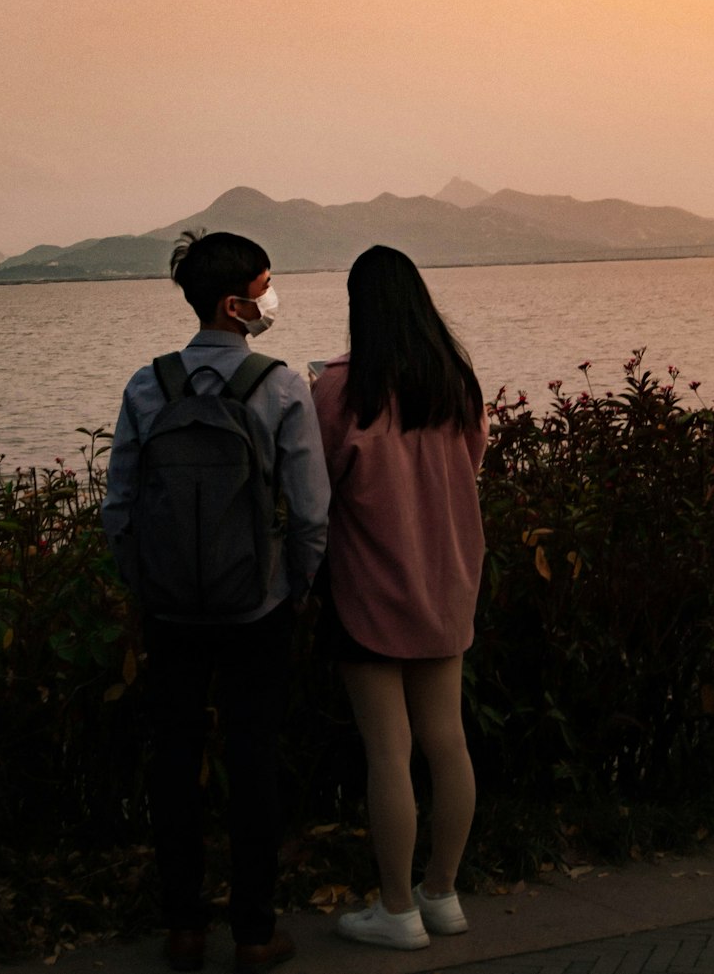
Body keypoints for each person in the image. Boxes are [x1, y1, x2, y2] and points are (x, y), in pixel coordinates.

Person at [102, 230, 329, 972]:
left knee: (173, 762)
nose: (271, 297)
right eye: (265, 285)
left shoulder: (147, 385)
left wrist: (146, 586)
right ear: (237, 304)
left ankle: (185, 927)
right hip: (256, 608)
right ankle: (255, 931)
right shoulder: (282, 386)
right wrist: (296, 585)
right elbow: (311, 510)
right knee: (253, 761)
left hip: (171, 612)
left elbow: (120, 507)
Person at [310, 245, 487, 952]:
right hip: (448, 580)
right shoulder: (456, 382)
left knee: (389, 752)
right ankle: (441, 892)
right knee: (448, 741)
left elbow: (316, 488)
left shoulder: (340, 390)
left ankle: (395, 907)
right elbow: (470, 465)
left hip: (370, 589)